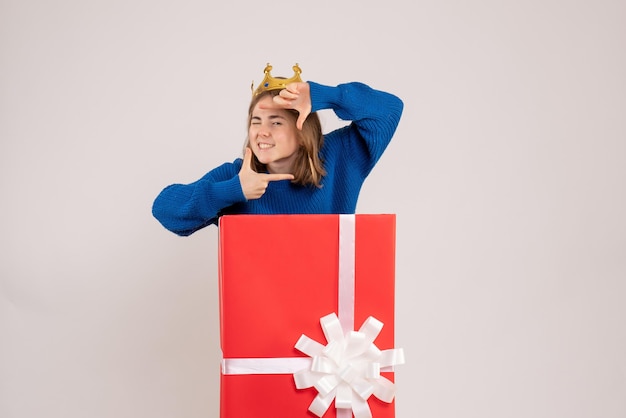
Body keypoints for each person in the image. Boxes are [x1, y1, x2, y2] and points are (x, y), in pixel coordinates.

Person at [152, 63, 403, 236]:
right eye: (256, 121)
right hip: (262, 310)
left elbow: (388, 109)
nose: (262, 132)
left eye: (276, 122)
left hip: (328, 310)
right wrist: (232, 190)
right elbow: (164, 209)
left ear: (301, 128)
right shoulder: (238, 177)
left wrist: (324, 96)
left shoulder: (341, 156)